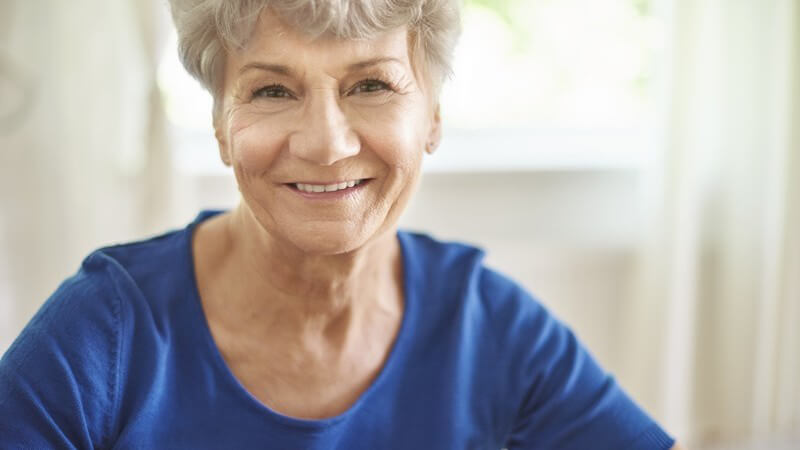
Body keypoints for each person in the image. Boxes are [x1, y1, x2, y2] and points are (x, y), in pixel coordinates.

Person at [0, 1, 685, 448]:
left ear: (433, 119)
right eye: (272, 90)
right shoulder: (104, 334)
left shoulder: (495, 328)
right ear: (219, 127)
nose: (326, 144)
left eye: (371, 86)